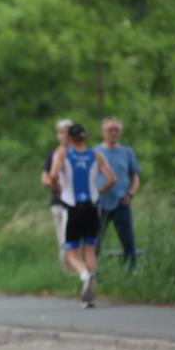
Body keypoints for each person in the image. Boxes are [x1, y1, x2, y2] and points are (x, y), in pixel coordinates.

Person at [50, 124, 117, 307]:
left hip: (71, 207)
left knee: (70, 252)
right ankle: (90, 297)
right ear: (84, 138)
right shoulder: (95, 154)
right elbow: (112, 178)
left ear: (69, 139)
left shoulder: (63, 153)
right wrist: (100, 189)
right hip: (92, 207)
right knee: (90, 250)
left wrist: (56, 187)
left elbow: (53, 174)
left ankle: (84, 275)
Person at [94, 116, 141, 271]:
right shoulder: (95, 152)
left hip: (122, 202)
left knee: (128, 240)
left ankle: (131, 271)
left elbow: (135, 176)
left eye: (116, 130)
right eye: (110, 130)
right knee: (96, 240)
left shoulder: (127, 152)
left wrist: (130, 194)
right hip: (100, 203)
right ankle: (92, 272)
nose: (113, 133)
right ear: (103, 132)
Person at [42, 119, 73, 273]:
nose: (65, 135)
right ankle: (68, 272)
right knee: (63, 240)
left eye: (68, 132)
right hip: (59, 201)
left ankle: (81, 271)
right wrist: (55, 184)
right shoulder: (52, 155)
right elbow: (45, 179)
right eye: (62, 132)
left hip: (77, 203)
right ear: (58, 135)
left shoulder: (79, 154)